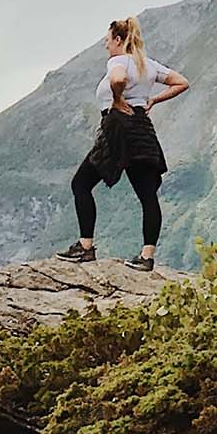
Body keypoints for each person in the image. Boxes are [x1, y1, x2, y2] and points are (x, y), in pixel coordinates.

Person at [56, 16, 189, 271]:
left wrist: (117, 99)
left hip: (117, 127)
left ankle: (85, 248)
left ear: (118, 40)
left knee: (81, 183)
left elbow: (117, 79)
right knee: (147, 195)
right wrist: (153, 101)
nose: (106, 46)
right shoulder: (148, 65)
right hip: (142, 128)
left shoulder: (118, 61)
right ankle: (147, 257)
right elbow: (181, 82)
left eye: (108, 41)